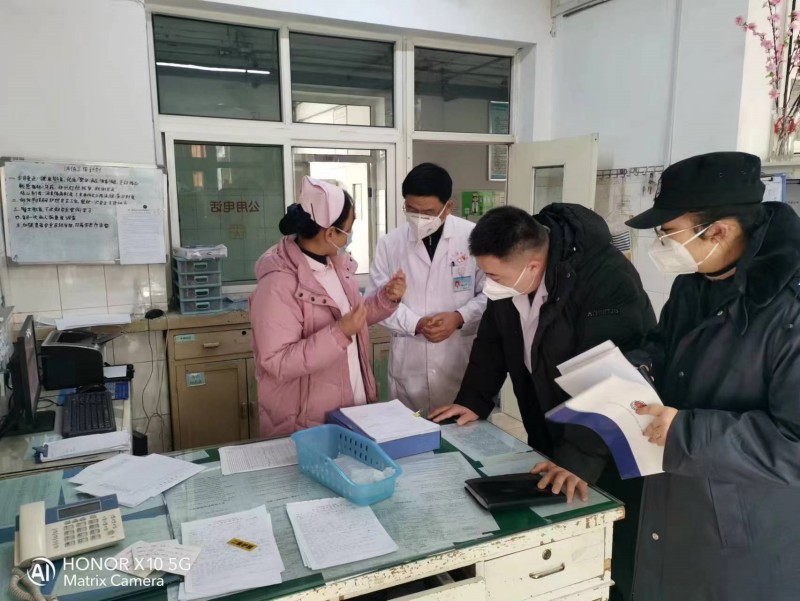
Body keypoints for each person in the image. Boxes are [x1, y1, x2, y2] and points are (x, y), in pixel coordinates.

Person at [429, 203, 655, 601]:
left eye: (494, 276)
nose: (489, 286)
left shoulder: (606, 278)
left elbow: (615, 380)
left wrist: (576, 459)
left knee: (610, 538)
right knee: (554, 527)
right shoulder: (512, 278)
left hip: (610, 438)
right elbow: (492, 341)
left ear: (532, 266)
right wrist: (474, 400)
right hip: (549, 420)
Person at [617, 152, 800, 600]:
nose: (661, 244)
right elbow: (664, 343)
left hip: (744, 529)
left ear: (719, 231)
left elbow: (794, 444)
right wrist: (638, 368)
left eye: (668, 232)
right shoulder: (695, 279)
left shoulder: (788, 310)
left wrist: (687, 432)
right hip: (677, 495)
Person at [250, 176, 406, 436]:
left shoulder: (335, 265)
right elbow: (277, 362)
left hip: (350, 405)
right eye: (349, 228)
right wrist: (340, 332)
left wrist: (385, 298)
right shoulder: (278, 283)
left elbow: (352, 318)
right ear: (330, 233)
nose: (350, 235)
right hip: (305, 420)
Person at [368, 163, 487, 413]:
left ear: (448, 207)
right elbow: (374, 302)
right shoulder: (390, 244)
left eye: (429, 212)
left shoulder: (473, 237)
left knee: (459, 427)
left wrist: (459, 317)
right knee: (409, 429)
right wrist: (416, 323)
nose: (420, 218)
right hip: (409, 364)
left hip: (458, 358)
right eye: (412, 210)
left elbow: (491, 293)